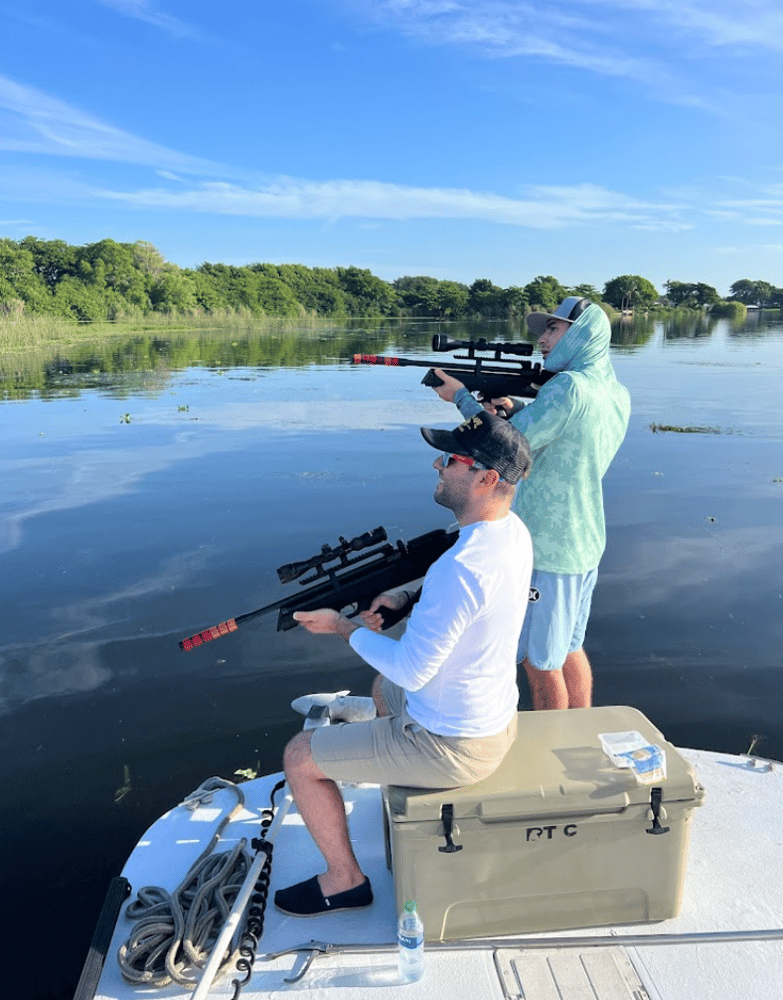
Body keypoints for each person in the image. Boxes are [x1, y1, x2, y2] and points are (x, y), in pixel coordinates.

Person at [274, 411, 533, 917]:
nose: (438, 465)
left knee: (300, 757)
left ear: (487, 479)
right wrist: (405, 596)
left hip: (454, 745)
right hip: (491, 721)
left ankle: (344, 881)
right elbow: (462, 600)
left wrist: (342, 628)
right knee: (380, 687)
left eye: (452, 460)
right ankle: (388, 761)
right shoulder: (509, 532)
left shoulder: (461, 569)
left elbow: (413, 670)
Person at [432, 297, 630, 712]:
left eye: (553, 329)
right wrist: (517, 407)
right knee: (568, 648)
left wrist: (462, 399)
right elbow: (561, 426)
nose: (541, 339)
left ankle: (552, 755)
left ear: (581, 334)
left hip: (548, 545)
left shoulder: (569, 386)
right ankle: (581, 732)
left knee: (539, 664)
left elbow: (503, 444)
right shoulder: (613, 391)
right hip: (584, 541)